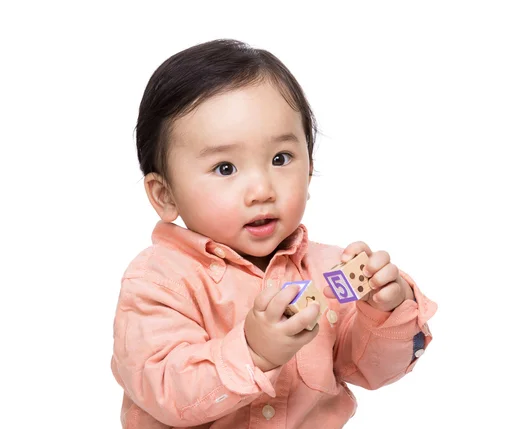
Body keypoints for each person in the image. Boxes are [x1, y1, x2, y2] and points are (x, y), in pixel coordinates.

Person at [111, 38, 437, 429]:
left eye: (280, 159)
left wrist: (385, 313)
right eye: (226, 168)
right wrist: (252, 352)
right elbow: (164, 391)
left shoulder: (331, 269)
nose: (263, 189)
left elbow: (374, 371)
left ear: (310, 166)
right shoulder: (159, 282)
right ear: (164, 195)